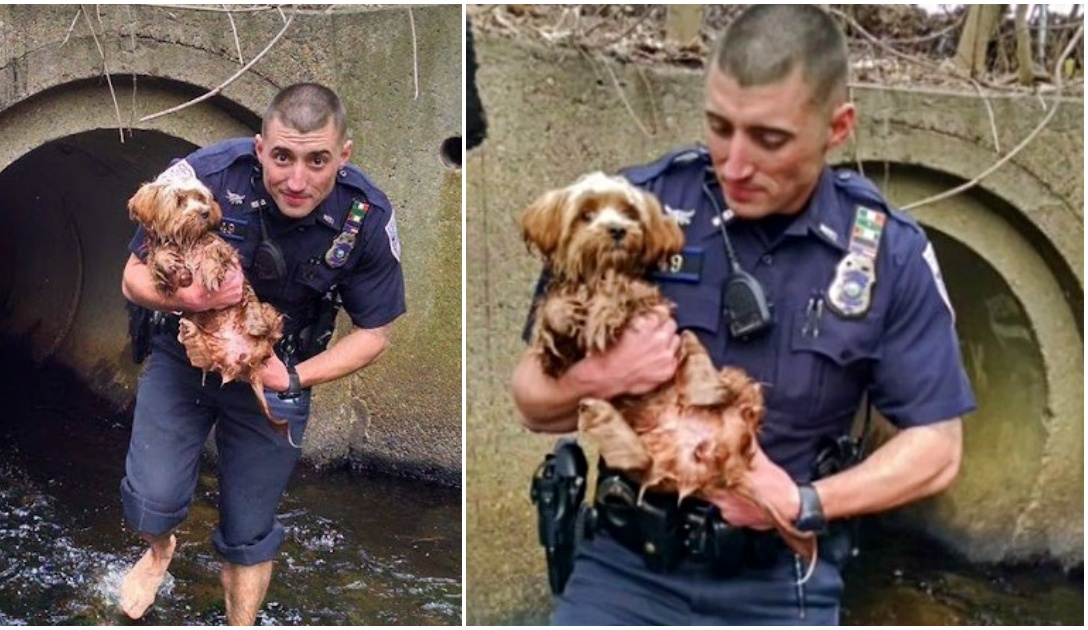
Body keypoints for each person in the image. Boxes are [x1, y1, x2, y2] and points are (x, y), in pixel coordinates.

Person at [512, 5, 973, 625]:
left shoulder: (887, 250)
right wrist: (601, 377)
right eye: (719, 127)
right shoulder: (640, 208)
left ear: (837, 128)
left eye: (769, 139)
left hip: (780, 579)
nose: (734, 164)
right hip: (626, 568)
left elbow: (937, 448)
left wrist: (803, 502)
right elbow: (531, 400)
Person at [117, 83, 405, 624]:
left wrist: (291, 379)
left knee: (249, 531)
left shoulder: (365, 216)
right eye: (282, 157)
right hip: (186, 359)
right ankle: (160, 551)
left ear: (343, 156)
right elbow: (132, 278)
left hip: (277, 371)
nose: (297, 180)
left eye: (317, 160)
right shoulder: (205, 175)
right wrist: (193, 297)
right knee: (152, 500)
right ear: (258, 148)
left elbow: (375, 334)